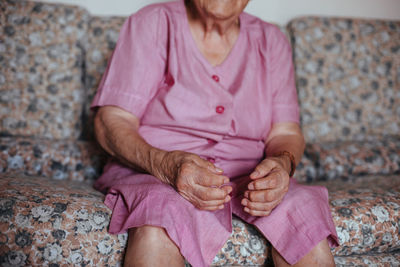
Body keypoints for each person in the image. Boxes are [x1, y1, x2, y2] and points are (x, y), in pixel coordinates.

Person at [91, 0, 339, 266]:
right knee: (159, 215)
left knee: (304, 212)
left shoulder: (271, 40)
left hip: (248, 175)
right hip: (154, 168)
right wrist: (164, 165)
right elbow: (111, 121)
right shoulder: (154, 23)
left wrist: (282, 163)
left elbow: (286, 131)